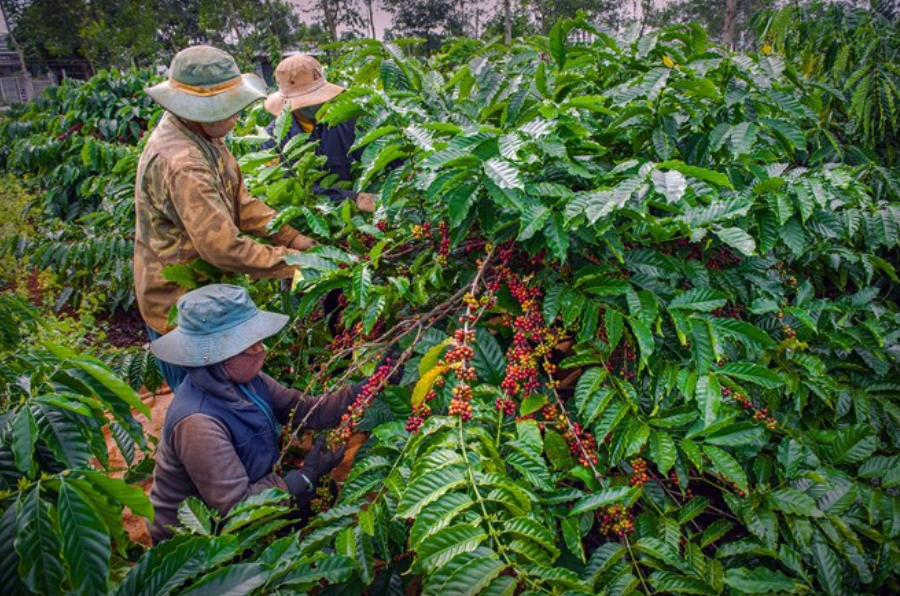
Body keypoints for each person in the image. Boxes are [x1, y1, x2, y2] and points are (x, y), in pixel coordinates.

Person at [147, 284, 401, 543]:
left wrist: (372, 385)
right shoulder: (198, 422)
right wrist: (306, 475)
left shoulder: (247, 381)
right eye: (251, 344)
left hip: (249, 496)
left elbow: (307, 410)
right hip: (199, 541)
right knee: (306, 497)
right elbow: (236, 508)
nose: (262, 350)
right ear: (220, 356)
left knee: (316, 495)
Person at [135, 45, 316, 392]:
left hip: (208, 295)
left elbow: (239, 200)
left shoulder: (202, 133)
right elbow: (223, 248)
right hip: (182, 308)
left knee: (239, 402)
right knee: (210, 411)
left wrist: (290, 236)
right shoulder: (184, 163)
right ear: (200, 110)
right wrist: (297, 263)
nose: (237, 117)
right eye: (230, 109)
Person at [261, 54, 376, 212]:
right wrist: (353, 198)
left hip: (353, 216)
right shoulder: (272, 139)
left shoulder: (345, 121)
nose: (318, 104)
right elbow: (290, 189)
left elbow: (374, 156)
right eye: (308, 101)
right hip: (304, 218)